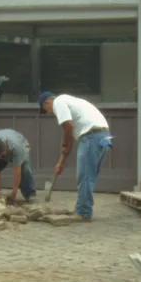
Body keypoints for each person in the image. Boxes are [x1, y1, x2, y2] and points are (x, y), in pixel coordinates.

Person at [39, 91, 111, 221]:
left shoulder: (59, 102)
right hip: (104, 136)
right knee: (89, 176)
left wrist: (65, 146)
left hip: (91, 136)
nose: (50, 113)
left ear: (47, 102)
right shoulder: (73, 101)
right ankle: (82, 208)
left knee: (84, 177)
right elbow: (70, 137)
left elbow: (68, 127)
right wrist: (62, 160)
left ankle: (83, 212)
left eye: (46, 110)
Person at [0, 129, 35, 203]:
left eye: (2, 156)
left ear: (6, 147)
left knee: (26, 168)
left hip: (21, 144)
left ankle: (30, 194)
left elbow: (17, 171)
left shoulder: (16, 146)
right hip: (1, 151)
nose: (0, 158)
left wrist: (14, 193)